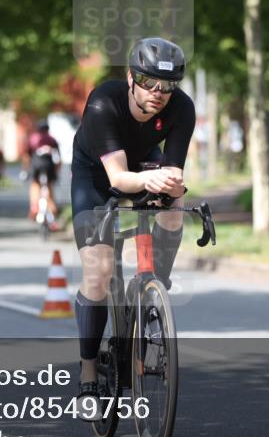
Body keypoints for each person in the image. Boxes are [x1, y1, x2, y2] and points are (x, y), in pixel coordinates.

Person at [69, 37, 195, 415]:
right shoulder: (103, 103)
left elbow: (174, 171)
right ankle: (89, 372)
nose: (159, 92)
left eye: (168, 86)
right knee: (99, 270)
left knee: (175, 203)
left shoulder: (181, 109)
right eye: (149, 82)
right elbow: (119, 179)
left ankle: (154, 288)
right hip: (96, 174)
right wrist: (150, 182)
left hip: (142, 163)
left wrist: (172, 186)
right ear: (131, 78)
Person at [22, 119, 61, 226]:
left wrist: (25, 171)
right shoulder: (52, 140)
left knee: (35, 184)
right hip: (49, 166)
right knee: (49, 186)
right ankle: (53, 209)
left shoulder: (33, 138)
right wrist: (56, 173)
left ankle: (34, 206)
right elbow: (58, 159)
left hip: (36, 166)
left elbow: (26, 157)